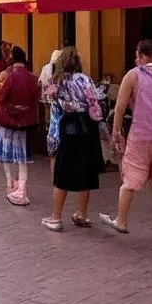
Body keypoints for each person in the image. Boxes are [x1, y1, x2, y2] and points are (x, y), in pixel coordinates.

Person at [101, 39, 152, 239]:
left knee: (130, 180)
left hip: (140, 136)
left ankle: (122, 220)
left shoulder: (134, 75)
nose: (135, 59)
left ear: (142, 57)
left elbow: (120, 107)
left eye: (136, 56)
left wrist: (116, 132)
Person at [41, 47, 104, 231]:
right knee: (86, 169)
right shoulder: (85, 79)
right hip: (87, 127)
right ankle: (81, 214)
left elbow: (53, 105)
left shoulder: (58, 81)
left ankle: (56, 217)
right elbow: (95, 101)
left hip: (68, 127)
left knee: (63, 172)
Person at [0, 46, 40, 204]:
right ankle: (21, 191)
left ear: (14, 59)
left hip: (8, 121)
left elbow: (1, 99)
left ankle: (10, 184)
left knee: (6, 153)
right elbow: (36, 98)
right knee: (22, 158)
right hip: (25, 123)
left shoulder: (9, 76)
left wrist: (12, 109)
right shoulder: (32, 78)